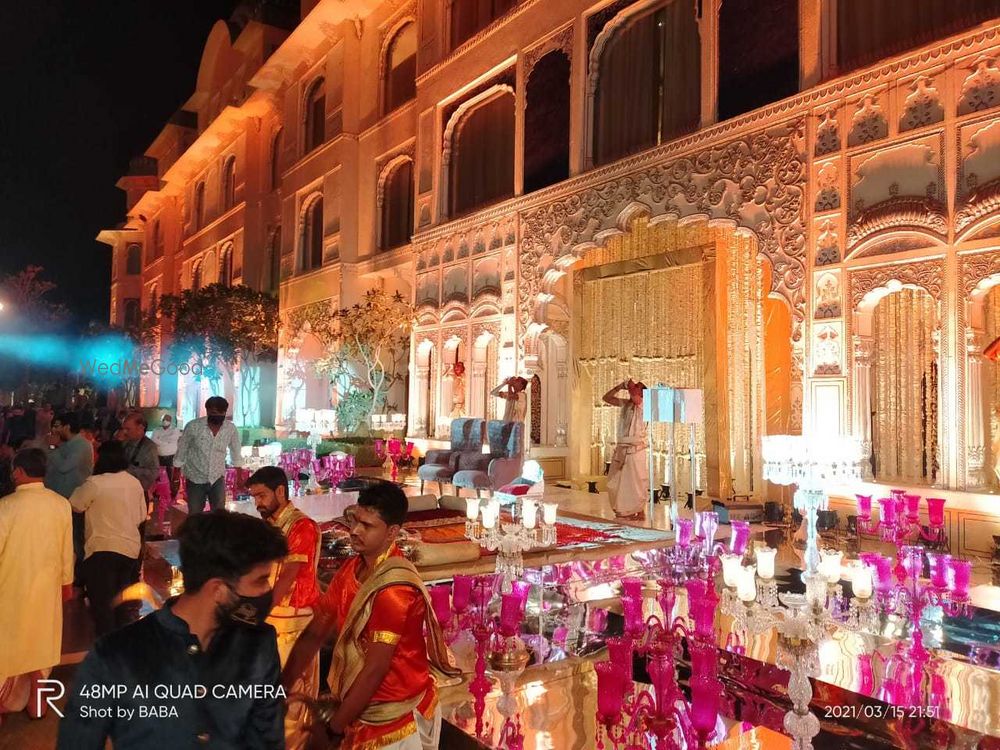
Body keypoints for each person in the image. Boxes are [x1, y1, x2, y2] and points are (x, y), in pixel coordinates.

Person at [57, 510, 288, 749]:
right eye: (260, 580)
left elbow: (267, 741)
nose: (266, 592)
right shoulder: (115, 655)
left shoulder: (258, 644)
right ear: (218, 589)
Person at [282, 481, 458, 750]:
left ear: (392, 533)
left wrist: (333, 729)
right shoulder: (352, 568)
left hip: (393, 718)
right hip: (357, 708)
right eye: (355, 520)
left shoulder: (393, 589)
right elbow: (317, 630)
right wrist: (277, 688)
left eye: (368, 526)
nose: (354, 530)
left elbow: (375, 669)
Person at [247, 466, 321, 749]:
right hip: (272, 618)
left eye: (262, 495)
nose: (258, 503)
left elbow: (288, 575)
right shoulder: (268, 526)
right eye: (254, 497)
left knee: (292, 693)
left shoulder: (302, 526)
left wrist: (257, 614)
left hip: (296, 619)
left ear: (281, 491)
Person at [0, 449, 74, 720]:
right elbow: (68, 550)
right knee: (41, 648)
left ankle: (4, 704)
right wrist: (67, 584)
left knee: (7, 649)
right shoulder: (60, 504)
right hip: (47, 590)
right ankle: (37, 705)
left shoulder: (6, 506)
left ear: (18, 472)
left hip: (10, 590)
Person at [68, 441, 148, 636]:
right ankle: (122, 648)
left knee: (102, 605)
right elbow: (140, 516)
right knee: (121, 604)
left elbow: (75, 504)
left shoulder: (95, 483)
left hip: (101, 549)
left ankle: (107, 650)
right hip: (129, 549)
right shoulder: (133, 482)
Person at [45, 412, 95, 581]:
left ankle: (80, 577)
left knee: (76, 538)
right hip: (59, 498)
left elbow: (64, 467)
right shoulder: (65, 445)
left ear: (67, 426)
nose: (54, 430)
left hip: (74, 499)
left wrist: (54, 447)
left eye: (57, 425)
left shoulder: (81, 445)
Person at [174, 396, 243, 514]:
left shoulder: (230, 429)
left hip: (217, 477)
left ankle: (214, 533)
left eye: (222, 413)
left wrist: (240, 476)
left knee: (219, 515)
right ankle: (196, 533)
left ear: (225, 412)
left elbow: (236, 452)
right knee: (195, 515)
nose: (218, 416)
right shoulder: (193, 426)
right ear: (208, 411)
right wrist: (176, 476)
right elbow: (182, 450)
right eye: (214, 413)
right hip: (195, 477)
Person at [602, 379, 649, 520]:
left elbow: (636, 398)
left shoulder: (643, 405)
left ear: (642, 393)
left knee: (635, 483)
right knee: (617, 483)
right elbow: (606, 398)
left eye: (638, 387)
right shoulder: (626, 404)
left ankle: (639, 511)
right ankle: (625, 510)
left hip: (635, 450)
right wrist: (619, 386)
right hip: (622, 449)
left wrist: (630, 386)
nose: (634, 388)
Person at [120, 412, 159, 495]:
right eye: (123, 429)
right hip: (122, 490)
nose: (124, 432)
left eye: (128, 429)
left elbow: (153, 472)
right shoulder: (124, 443)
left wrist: (131, 470)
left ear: (140, 428)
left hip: (139, 492)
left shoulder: (149, 447)